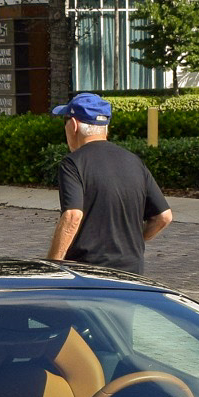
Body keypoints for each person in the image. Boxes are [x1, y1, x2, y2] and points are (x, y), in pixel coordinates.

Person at [48, 92, 171, 274]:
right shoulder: (133, 161)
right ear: (106, 128)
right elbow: (164, 217)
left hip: (88, 273)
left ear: (73, 125)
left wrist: (52, 266)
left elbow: (73, 215)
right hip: (131, 272)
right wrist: (132, 244)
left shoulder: (73, 163)